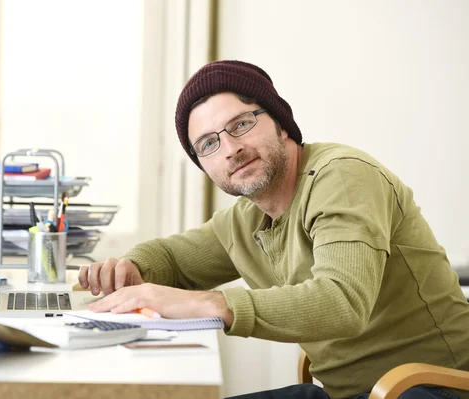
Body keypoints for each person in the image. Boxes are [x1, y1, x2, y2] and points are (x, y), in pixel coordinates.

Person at [78, 60, 469, 399]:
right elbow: (172, 259)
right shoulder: (246, 218)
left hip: (433, 387)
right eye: (208, 144)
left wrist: (215, 303)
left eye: (241, 124)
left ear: (281, 123)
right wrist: (129, 266)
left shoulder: (344, 177)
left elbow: (343, 302)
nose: (230, 149)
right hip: (352, 393)